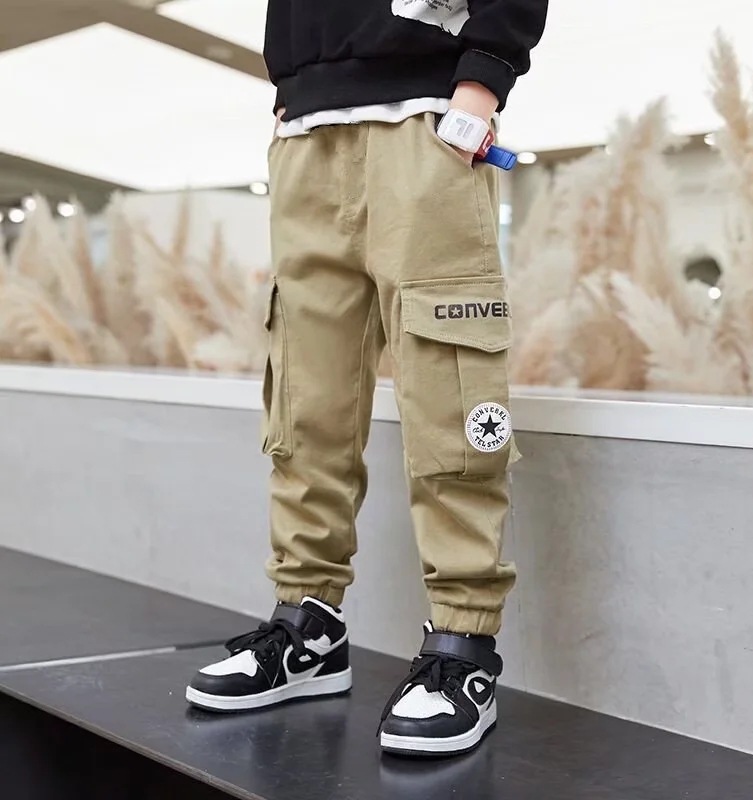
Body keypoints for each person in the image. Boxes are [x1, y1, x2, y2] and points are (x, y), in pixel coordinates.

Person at [186, 0, 549, 757]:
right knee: (306, 397)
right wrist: (291, 88)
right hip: (306, 130)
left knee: (449, 390)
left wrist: (482, 81)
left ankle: (463, 644)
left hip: (426, 118)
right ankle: (309, 623)